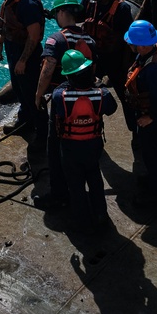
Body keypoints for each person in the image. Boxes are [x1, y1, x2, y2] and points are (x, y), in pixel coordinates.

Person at [32, 0, 97, 209]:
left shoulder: (56, 39)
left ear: (61, 12)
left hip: (62, 101)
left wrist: (39, 95)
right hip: (86, 101)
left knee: (55, 147)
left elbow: (47, 69)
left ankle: (59, 194)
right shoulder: (89, 39)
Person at [51, 50, 117, 229]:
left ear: (68, 76)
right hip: (93, 144)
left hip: (70, 147)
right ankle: (100, 213)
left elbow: (58, 107)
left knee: (75, 184)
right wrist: (98, 84)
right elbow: (112, 109)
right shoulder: (102, 94)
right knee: (95, 177)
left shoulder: (60, 96)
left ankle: (82, 220)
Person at [123, 20, 157, 205]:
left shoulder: (153, 70)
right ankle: (155, 179)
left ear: (142, 46)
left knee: (154, 155)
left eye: (132, 43)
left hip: (154, 117)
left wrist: (150, 117)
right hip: (155, 113)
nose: (130, 45)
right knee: (153, 152)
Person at [0, 0, 45, 135]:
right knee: (20, 90)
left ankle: (41, 132)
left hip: (26, 55)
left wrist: (23, 60)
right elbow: (7, 22)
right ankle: (25, 123)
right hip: (13, 50)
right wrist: (0, 44)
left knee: (32, 94)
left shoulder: (28, 4)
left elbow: (33, 36)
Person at [79, 0, 136, 129]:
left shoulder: (121, 9)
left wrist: (127, 67)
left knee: (126, 96)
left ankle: (135, 129)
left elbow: (128, 41)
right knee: (85, 90)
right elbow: (78, 16)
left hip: (115, 59)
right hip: (95, 57)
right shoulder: (89, 1)